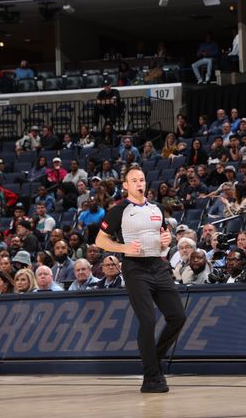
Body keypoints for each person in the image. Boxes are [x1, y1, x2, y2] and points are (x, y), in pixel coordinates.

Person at [96, 165, 186, 393]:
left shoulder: (156, 208)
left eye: (142, 179)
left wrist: (167, 240)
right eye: (134, 180)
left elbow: (165, 237)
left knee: (178, 316)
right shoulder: (119, 211)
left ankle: (153, 358)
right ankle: (152, 377)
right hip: (135, 268)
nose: (139, 183)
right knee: (147, 321)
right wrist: (124, 247)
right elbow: (100, 241)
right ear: (125, 185)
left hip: (158, 265)